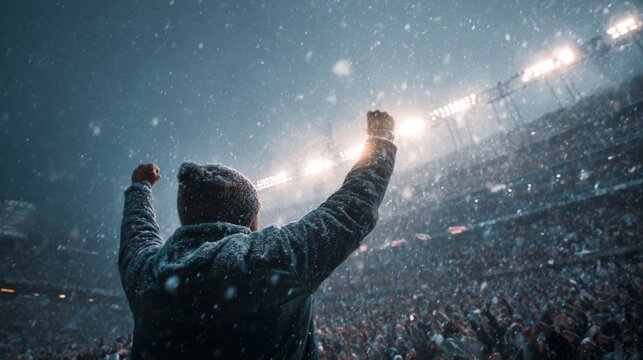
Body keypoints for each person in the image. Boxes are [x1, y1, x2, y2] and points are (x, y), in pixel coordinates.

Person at [119, 110, 397, 359]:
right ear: (250, 219)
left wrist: (140, 186)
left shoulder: (148, 273)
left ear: (187, 217)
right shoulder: (272, 257)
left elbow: (138, 231)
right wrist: (380, 140)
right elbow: (351, 208)